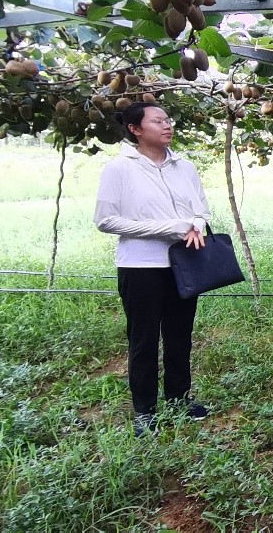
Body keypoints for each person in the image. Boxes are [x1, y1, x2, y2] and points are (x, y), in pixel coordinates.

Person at [95, 103, 211, 437]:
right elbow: (105, 220)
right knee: (143, 340)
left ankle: (179, 398)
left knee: (180, 335)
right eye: (157, 121)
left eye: (167, 120)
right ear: (135, 129)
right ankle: (144, 410)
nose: (166, 125)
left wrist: (196, 224)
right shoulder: (119, 169)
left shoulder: (184, 166)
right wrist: (169, 228)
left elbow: (202, 210)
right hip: (140, 266)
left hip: (183, 264)